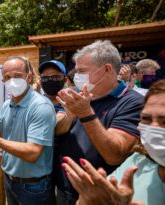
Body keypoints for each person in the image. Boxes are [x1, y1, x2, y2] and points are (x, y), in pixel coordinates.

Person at [54, 40, 144, 205]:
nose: (76, 76)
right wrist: (68, 114)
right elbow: (57, 130)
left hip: (99, 197)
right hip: (64, 189)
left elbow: (114, 155)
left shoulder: (132, 102)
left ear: (107, 69)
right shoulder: (77, 94)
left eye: (82, 71)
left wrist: (85, 113)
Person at [0, 56, 56, 205]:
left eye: (17, 76)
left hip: (34, 186)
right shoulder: (7, 105)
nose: (12, 81)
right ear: (3, 81)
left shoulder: (40, 106)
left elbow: (32, 153)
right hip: (10, 181)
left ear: (29, 76)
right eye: (7, 77)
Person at [62, 79, 165, 205]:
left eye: (164, 121)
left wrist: (85, 113)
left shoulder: (129, 101)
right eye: (146, 118)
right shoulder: (137, 161)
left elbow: (113, 155)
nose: (154, 127)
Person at [38, 60, 73, 136]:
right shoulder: (36, 102)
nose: (50, 80)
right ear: (40, 81)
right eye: (45, 78)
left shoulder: (70, 102)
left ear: (65, 80)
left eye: (56, 77)